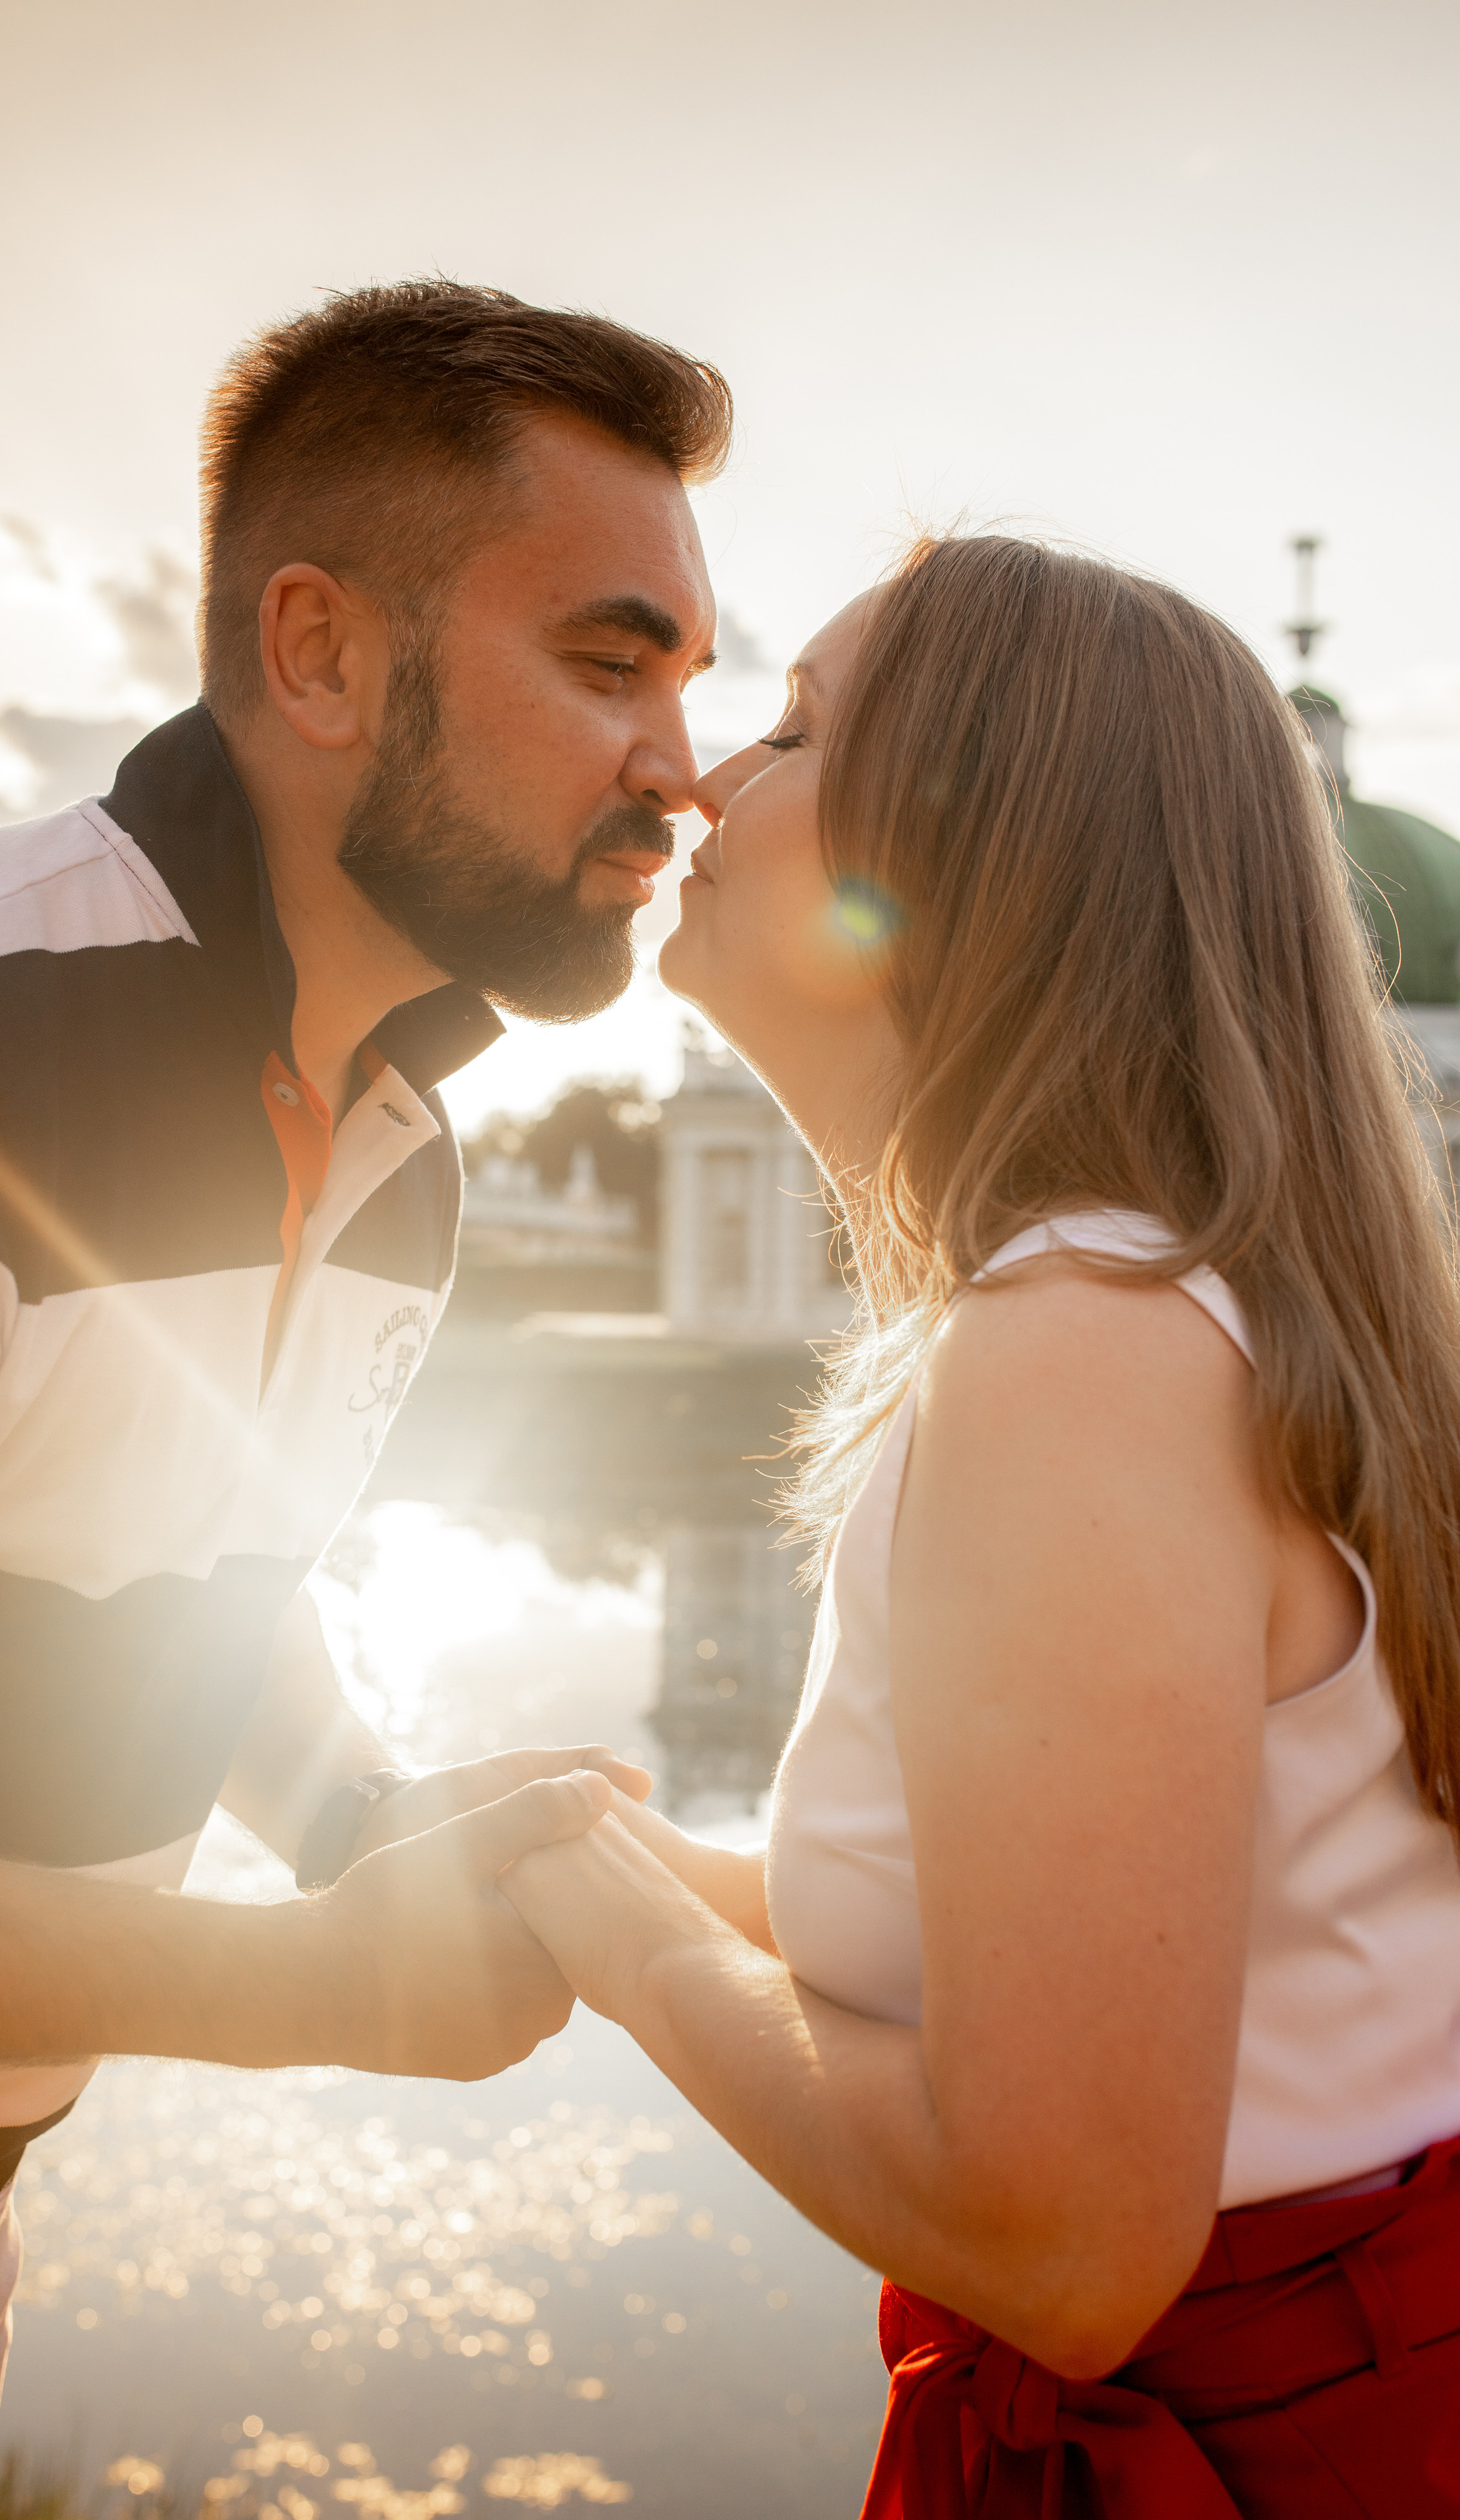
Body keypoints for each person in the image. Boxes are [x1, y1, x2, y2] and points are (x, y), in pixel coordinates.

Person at [0, 279, 727, 2513]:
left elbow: (194, 1556)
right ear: (321, 656)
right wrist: (308, 1985)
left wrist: (358, 1824)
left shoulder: (405, 1154)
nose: (681, 768)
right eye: (608, 665)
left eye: (689, 682)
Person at [502, 536, 1460, 2515]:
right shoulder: (1159, 1314)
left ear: (964, 858)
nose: (699, 779)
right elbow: (1056, 1934)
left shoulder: (1079, 1353)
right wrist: (632, 1858)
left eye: (785, 732)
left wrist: (609, 1931)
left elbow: (1063, 2243)